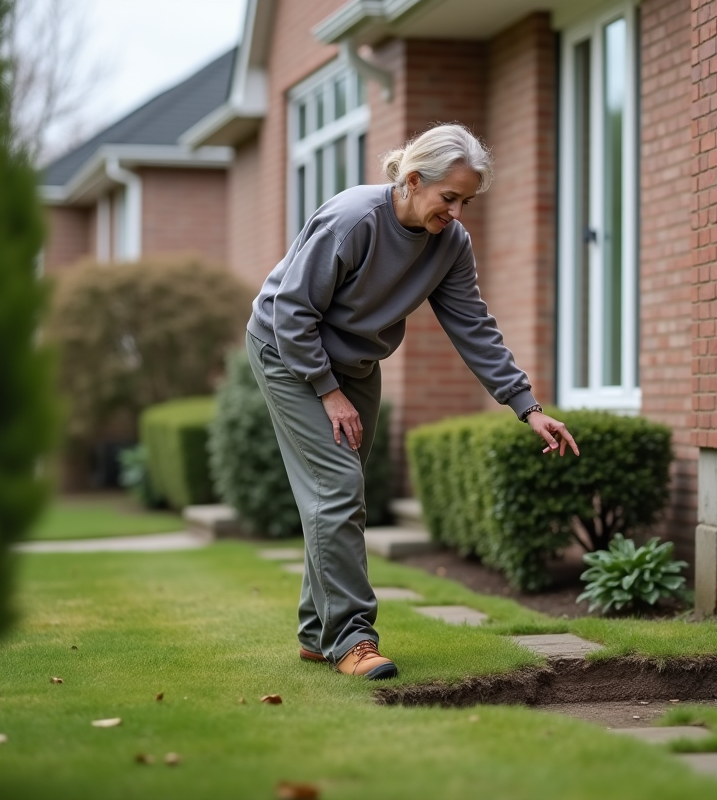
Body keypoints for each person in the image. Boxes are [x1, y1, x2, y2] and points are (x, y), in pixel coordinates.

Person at [245, 123, 579, 680]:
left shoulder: (450, 244)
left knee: (337, 489)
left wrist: (527, 405)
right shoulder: (353, 220)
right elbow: (292, 313)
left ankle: (316, 631)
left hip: (354, 361)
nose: (457, 212)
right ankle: (352, 637)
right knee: (337, 487)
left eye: (466, 201)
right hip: (287, 352)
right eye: (449, 198)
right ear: (413, 180)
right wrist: (327, 392)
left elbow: (473, 325)